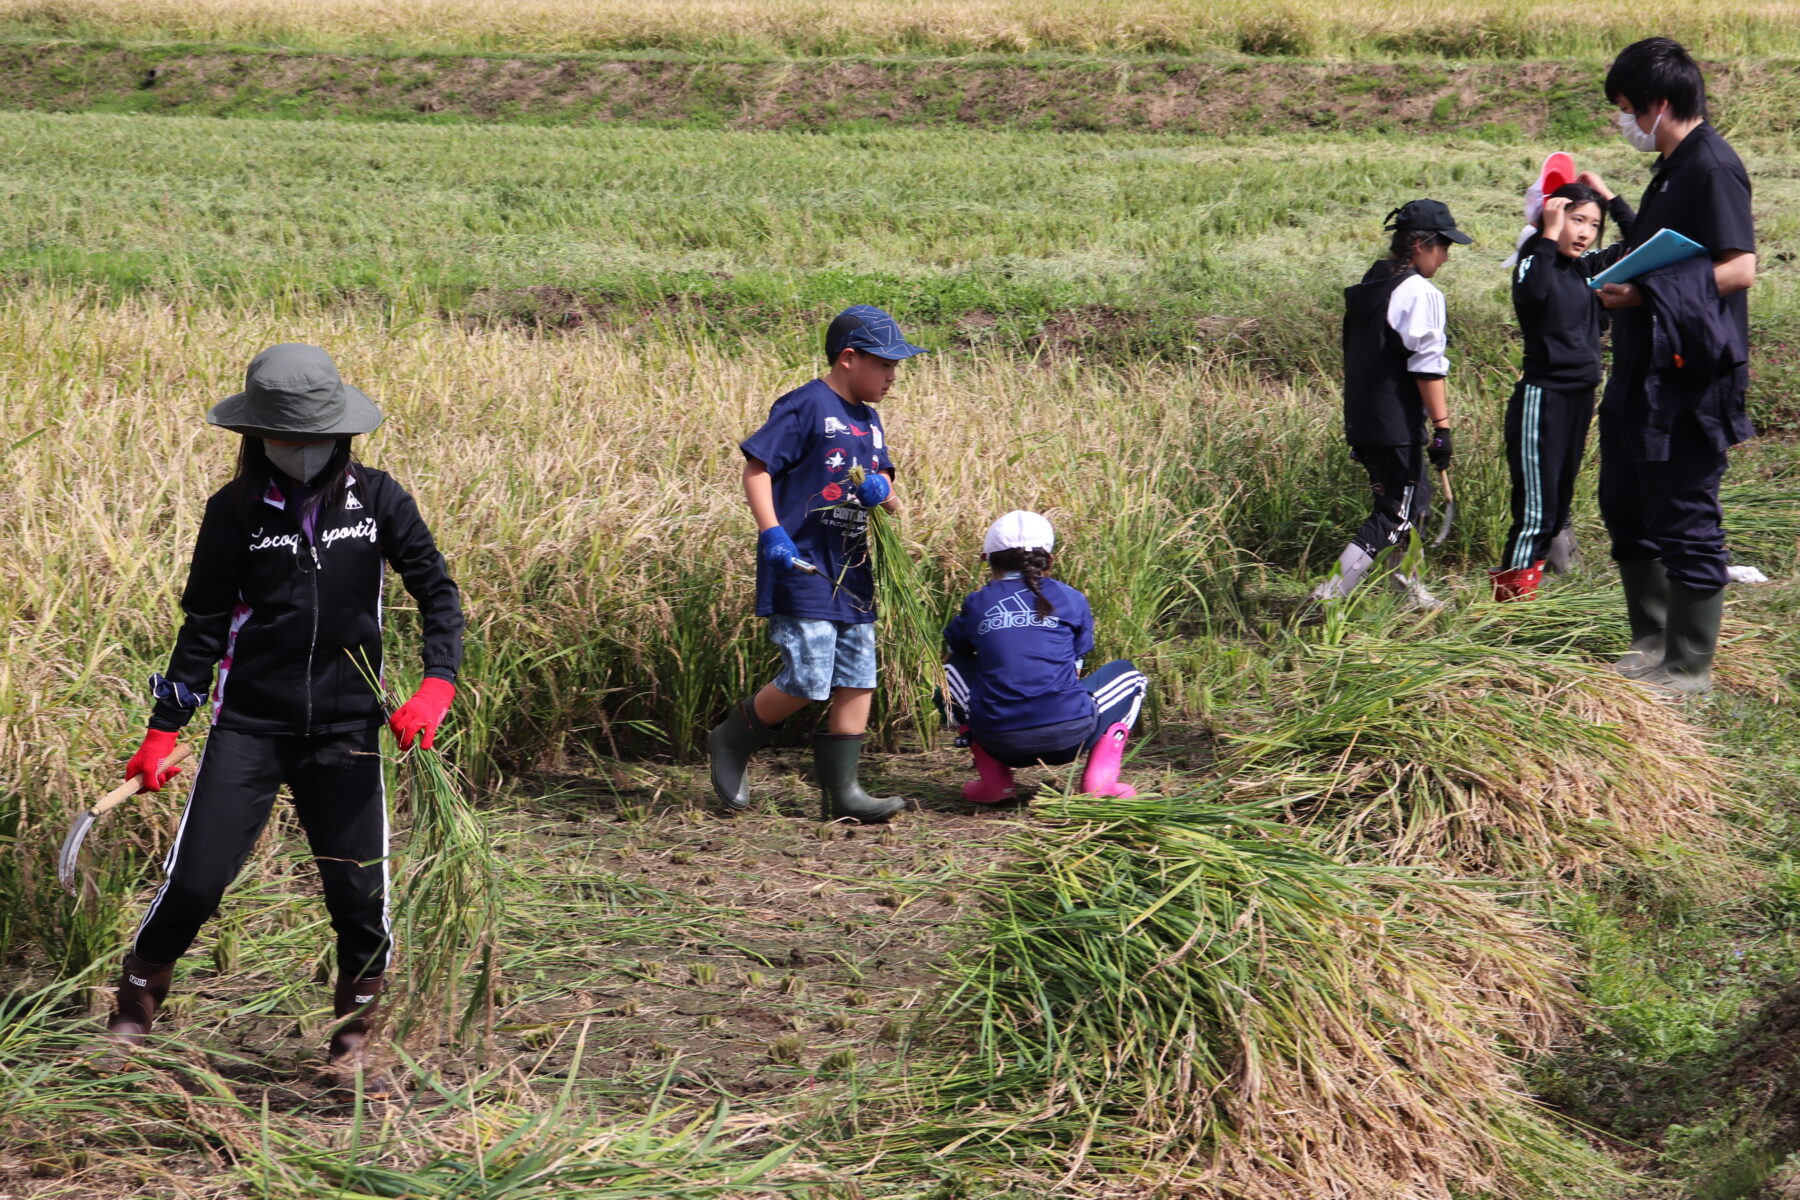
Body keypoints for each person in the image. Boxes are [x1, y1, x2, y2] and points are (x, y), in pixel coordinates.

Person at [111, 344, 465, 1087]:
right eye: (285, 439)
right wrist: (163, 730)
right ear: (258, 437)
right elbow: (203, 629)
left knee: (360, 896)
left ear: (340, 431)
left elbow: (438, 595)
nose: (300, 452)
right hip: (250, 727)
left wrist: (436, 686)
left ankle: (352, 1041)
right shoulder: (233, 513)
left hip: (345, 731)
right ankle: (134, 1010)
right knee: (197, 882)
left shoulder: (378, 502)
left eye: (313, 438)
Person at [708, 306, 925, 822]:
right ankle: (731, 739)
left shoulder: (870, 422)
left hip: (852, 572)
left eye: (897, 367)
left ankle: (842, 792)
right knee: (808, 677)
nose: (893, 377)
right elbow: (757, 468)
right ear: (849, 358)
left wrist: (884, 493)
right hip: (802, 566)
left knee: (858, 676)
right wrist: (772, 532)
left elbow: (891, 497)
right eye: (886, 365)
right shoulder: (806, 404)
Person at [1596, 37, 1756, 694]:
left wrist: (1642, 293)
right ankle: (1652, 640)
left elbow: (1740, 267)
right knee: (1627, 503)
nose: (1626, 122)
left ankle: (1689, 667)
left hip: (1690, 377)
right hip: (1644, 369)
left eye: (1629, 108)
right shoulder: (1670, 168)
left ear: (1661, 104)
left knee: (1685, 510)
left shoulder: (1712, 169)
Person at [1312, 200, 1470, 608]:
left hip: (1364, 419)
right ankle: (1330, 593)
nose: (1447, 256)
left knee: (1414, 505)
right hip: (1395, 421)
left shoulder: (1374, 284)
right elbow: (1428, 366)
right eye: (1443, 246)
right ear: (1419, 245)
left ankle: (1407, 589)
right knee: (1395, 515)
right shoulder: (1420, 292)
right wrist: (1443, 428)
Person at [941, 512, 1149, 804]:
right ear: (1049, 559)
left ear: (987, 559)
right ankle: (1099, 781)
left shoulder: (977, 603)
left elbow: (955, 650)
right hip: (1070, 738)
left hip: (999, 741)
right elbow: (1075, 667)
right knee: (1130, 675)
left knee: (947, 671)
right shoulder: (1072, 598)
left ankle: (995, 781)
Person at [1493, 177, 1636, 601]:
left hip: (1579, 399)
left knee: (1556, 506)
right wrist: (1548, 231)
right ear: (1555, 216)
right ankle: (1510, 606)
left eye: (1594, 224)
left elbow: (1642, 240)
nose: (1587, 232)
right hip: (1544, 399)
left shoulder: (1585, 269)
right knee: (1536, 512)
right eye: (1578, 220)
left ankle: (1525, 595)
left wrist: (1610, 195)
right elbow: (1533, 290)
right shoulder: (1532, 262)